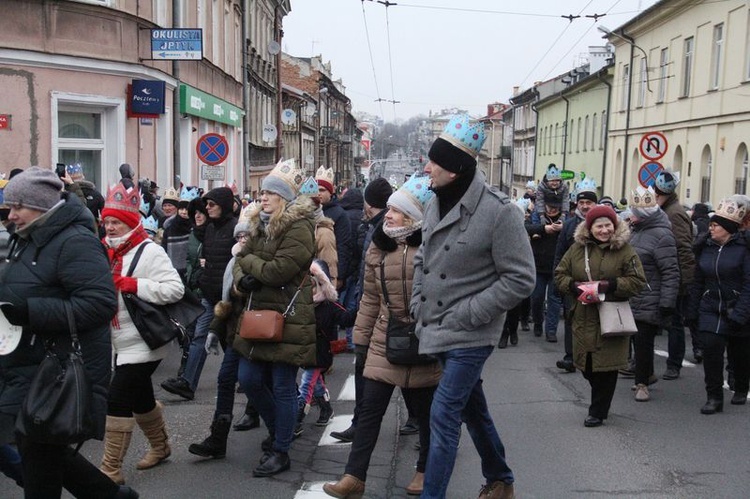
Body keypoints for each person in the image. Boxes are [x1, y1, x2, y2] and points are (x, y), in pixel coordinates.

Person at [411, 115, 536, 499]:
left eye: (435, 162)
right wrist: (417, 302)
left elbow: (521, 279)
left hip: (471, 332)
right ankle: (500, 479)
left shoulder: (500, 212)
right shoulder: (435, 202)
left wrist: (470, 313)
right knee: (472, 409)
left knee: (443, 413)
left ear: (456, 169)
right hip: (434, 325)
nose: (426, 168)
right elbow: (423, 258)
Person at [0, 167, 137, 498]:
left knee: (40, 460)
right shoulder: (27, 238)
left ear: (42, 206)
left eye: (18, 206)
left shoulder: (74, 241)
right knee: (41, 451)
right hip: (25, 363)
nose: (11, 214)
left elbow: (100, 304)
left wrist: (31, 312)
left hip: (56, 371)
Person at [324, 175, 440, 498]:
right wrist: (360, 340)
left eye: (396, 211)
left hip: (422, 340)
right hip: (383, 340)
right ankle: (354, 477)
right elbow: (370, 298)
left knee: (426, 414)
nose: (387, 215)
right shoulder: (379, 242)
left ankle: (424, 470)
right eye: (388, 209)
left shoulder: (432, 244)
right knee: (369, 411)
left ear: (414, 217)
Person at [232, 158, 317, 477]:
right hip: (256, 314)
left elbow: (277, 269)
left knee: (282, 385)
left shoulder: (299, 225)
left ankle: (281, 450)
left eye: (270, 192)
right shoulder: (258, 221)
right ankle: (280, 428)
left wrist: (250, 265)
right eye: (262, 191)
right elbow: (241, 261)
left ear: (284, 197)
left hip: (288, 317)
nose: (262, 197)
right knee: (250, 379)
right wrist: (243, 279)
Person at [99, 183, 185, 485]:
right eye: (107, 221)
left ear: (131, 222)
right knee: (140, 398)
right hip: (117, 341)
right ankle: (161, 447)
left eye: (116, 222)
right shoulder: (105, 250)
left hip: (144, 341)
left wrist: (135, 285)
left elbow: (175, 289)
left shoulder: (150, 251)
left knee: (118, 398)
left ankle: (110, 470)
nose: (110, 227)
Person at [555, 205, 646, 427]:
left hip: (611, 314)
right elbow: (560, 274)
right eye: (599, 226)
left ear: (614, 226)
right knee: (586, 366)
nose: (604, 230)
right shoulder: (577, 249)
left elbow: (638, 281)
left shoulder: (625, 251)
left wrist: (610, 285)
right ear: (590, 228)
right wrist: (574, 287)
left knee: (607, 367)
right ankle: (600, 401)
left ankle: (598, 411)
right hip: (583, 315)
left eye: (607, 225)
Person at [330, 177, 394, 443]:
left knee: (375, 372)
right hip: (370, 308)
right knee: (366, 369)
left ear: (369, 203)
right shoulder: (372, 226)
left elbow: (376, 274)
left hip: (380, 312)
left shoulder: (384, 230)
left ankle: (364, 426)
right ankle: (361, 425)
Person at [161, 186, 237, 400]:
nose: (207, 209)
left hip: (229, 298)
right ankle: (187, 383)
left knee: (231, 341)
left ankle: (241, 380)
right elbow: (192, 216)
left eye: (212, 205)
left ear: (222, 206)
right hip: (209, 295)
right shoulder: (210, 228)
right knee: (199, 337)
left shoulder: (234, 228)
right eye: (207, 205)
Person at [686, 198, 750, 414]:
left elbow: (749, 284)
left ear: (728, 229)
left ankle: (741, 387)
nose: (711, 228)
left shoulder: (744, 250)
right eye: (711, 225)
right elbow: (698, 281)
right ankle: (714, 397)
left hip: (737, 309)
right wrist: (692, 309)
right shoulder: (706, 247)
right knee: (711, 352)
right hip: (710, 307)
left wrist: (741, 313)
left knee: (740, 354)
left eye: (716, 225)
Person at [627, 187, 680, 402]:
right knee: (636, 339)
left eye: (633, 212)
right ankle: (646, 374)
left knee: (643, 341)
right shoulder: (634, 232)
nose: (629, 216)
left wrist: (667, 302)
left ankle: (642, 384)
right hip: (632, 295)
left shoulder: (662, 235)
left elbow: (670, 271)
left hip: (650, 297)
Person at [553, 177, 598, 372]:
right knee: (572, 319)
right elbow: (560, 254)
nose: (585, 206)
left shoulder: (604, 224)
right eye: (582, 203)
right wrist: (559, 280)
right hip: (573, 282)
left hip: (597, 282)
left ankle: (593, 357)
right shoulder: (569, 226)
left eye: (589, 202)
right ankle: (570, 357)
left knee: (594, 320)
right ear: (576, 203)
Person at [654, 169, 696, 380]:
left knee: (674, 322)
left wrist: (684, 281)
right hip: (664, 275)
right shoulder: (665, 210)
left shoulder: (675, 213)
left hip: (675, 277)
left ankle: (674, 364)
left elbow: (683, 248)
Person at [526, 193, 564, 342]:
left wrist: (562, 228)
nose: (552, 210)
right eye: (550, 207)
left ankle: (551, 330)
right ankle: (537, 322)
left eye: (555, 207)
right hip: (538, 266)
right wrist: (543, 228)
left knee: (554, 300)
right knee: (537, 298)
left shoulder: (565, 219)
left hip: (557, 267)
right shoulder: (536, 216)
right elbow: (525, 228)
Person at [316, 166, 352, 291]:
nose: (318, 193)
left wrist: (340, 276)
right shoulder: (308, 212)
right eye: (316, 189)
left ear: (330, 192)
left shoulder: (340, 214)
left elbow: (343, 246)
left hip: (330, 271)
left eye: (322, 190)